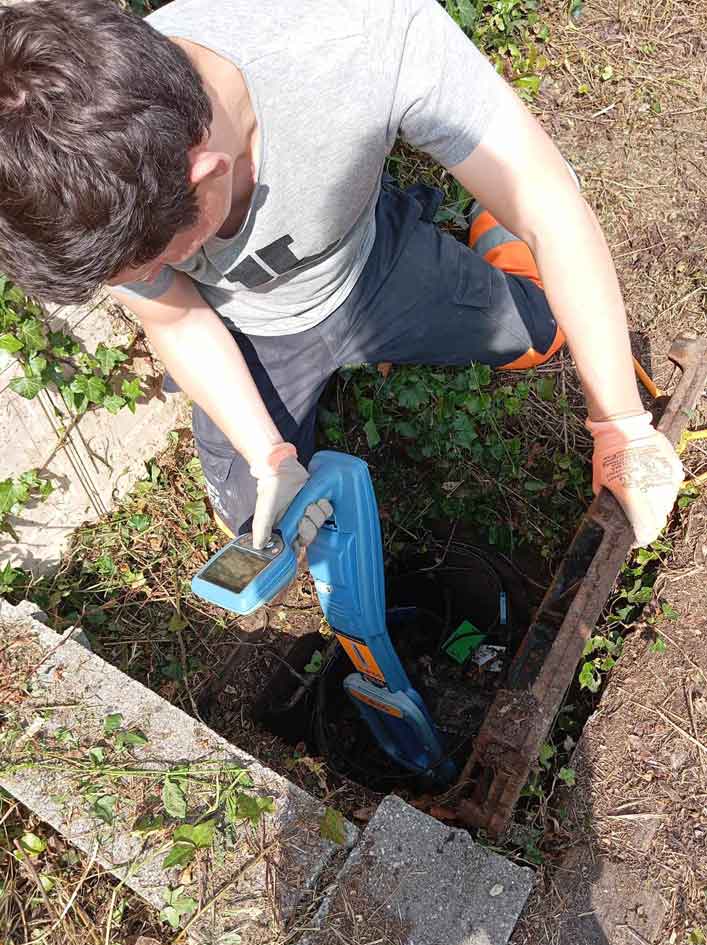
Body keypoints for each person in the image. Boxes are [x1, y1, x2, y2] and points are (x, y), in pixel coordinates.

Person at [0, 0, 683, 553]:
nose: (147, 277)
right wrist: (267, 451)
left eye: (153, 260)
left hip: (371, 266)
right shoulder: (86, 168)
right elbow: (173, 312)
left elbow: (546, 198)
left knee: (544, 332)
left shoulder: (359, 33)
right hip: (251, 335)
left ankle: (489, 235)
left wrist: (619, 424)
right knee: (260, 530)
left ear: (204, 175)